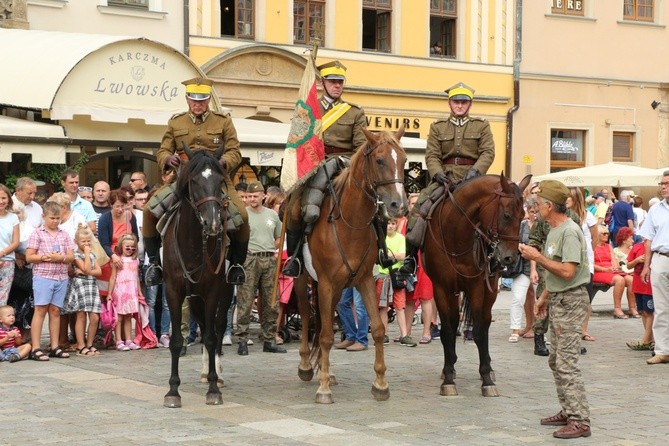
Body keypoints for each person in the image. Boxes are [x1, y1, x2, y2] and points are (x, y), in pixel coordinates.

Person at [145, 76, 249, 287]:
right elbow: (163, 149)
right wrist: (167, 158)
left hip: (216, 179)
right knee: (149, 211)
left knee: (243, 217)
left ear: (209, 99)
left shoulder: (223, 121)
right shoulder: (176, 122)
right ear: (187, 99)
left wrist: (223, 162)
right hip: (184, 178)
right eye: (194, 100)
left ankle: (236, 265)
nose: (198, 104)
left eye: (202, 100)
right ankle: (155, 264)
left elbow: (234, 151)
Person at [518, 180, 591, 439]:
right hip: (559, 298)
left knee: (567, 363)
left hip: (571, 300)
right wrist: (544, 298)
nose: (534, 209)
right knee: (555, 360)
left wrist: (537, 258)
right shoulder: (553, 230)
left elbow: (569, 272)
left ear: (550, 205)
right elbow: (557, 269)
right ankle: (568, 409)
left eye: (537, 204)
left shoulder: (569, 232)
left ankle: (580, 420)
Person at [282, 60, 367, 277]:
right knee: (293, 210)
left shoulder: (354, 113)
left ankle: (380, 255)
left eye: (340, 82)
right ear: (322, 83)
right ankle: (295, 258)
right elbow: (298, 140)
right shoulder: (309, 108)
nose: (337, 86)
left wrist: (345, 162)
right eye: (332, 82)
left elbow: (360, 147)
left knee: (377, 207)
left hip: (344, 169)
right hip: (313, 168)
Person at [400, 82, 495, 274]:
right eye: (456, 102)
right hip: (446, 177)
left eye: (464, 102)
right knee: (421, 206)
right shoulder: (437, 127)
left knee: (494, 210)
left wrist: (476, 170)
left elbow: (488, 152)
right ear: (449, 103)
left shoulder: (482, 125)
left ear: (470, 104)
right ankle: (411, 257)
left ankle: (494, 256)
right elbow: (432, 155)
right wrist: (436, 172)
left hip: (474, 178)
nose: (460, 106)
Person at [234, 181, 285, 355]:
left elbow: (279, 236)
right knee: (246, 300)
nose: (251, 199)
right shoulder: (243, 214)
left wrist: (274, 245)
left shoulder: (272, 214)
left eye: (255, 196)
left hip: (269, 259)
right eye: (249, 196)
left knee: (272, 301)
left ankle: (269, 339)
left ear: (263, 196)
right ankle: (242, 339)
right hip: (250, 259)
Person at [26, 201, 74, 361]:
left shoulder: (64, 234)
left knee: (55, 311)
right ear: (44, 216)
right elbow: (29, 256)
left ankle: (55, 346)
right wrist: (43, 257)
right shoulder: (37, 234)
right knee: (40, 310)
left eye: (58, 218)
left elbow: (71, 256)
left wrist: (61, 258)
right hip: (43, 276)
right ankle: (36, 347)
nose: (55, 221)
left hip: (61, 276)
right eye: (52, 218)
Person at [639, 170, 669, 364]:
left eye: (667, 183)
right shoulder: (655, 209)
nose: (663, 186)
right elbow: (648, 239)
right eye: (662, 183)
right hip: (661, 258)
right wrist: (646, 265)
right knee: (661, 307)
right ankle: (663, 350)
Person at [62, 226, 102, 356]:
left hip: (91, 285)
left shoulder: (92, 254)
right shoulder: (76, 255)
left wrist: (86, 271)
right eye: (83, 241)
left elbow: (98, 271)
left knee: (95, 317)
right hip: (80, 286)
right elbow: (86, 268)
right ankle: (80, 344)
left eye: (88, 241)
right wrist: (86, 257)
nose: (86, 244)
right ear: (77, 241)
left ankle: (90, 343)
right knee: (81, 315)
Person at [566, 186, 598, 342]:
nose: (565, 200)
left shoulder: (588, 216)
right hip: (569, 259)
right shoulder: (564, 216)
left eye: (568, 197)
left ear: (575, 199)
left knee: (585, 297)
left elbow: (595, 238)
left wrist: (587, 253)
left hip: (585, 262)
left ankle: (583, 330)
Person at [377, 218, 416, 347]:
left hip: (397, 275)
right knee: (383, 306)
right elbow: (379, 256)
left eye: (393, 223)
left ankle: (404, 335)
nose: (390, 226)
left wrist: (389, 255)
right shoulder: (380, 238)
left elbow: (402, 255)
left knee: (400, 306)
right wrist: (393, 255)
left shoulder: (400, 238)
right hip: (382, 274)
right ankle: (383, 334)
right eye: (388, 223)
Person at [592, 224, 636, 319]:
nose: (607, 235)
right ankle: (617, 309)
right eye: (604, 233)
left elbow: (613, 259)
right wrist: (605, 269)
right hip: (598, 271)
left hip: (610, 271)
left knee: (630, 279)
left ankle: (632, 308)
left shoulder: (608, 246)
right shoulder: (592, 246)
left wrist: (615, 267)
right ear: (597, 234)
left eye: (607, 233)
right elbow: (590, 264)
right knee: (619, 280)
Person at [109, 233, 142, 351]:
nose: (130, 250)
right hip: (120, 290)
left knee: (128, 316)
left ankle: (128, 339)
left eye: (133, 248)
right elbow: (113, 277)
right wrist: (109, 293)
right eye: (127, 247)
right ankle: (118, 340)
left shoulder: (135, 260)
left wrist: (140, 292)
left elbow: (137, 277)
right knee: (119, 317)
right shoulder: (118, 260)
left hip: (131, 290)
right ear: (121, 246)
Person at [626, 235, 654, 351]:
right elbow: (628, 265)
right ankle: (649, 339)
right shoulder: (637, 247)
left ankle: (646, 339)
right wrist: (637, 260)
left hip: (649, 286)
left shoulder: (654, 248)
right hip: (638, 285)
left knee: (649, 312)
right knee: (642, 312)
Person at [0, 184, 19, 306]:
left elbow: (15, 242)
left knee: (2, 297)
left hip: (7, 261)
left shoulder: (13, 218)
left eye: (3, 198)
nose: (1, 201)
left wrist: (1, 253)